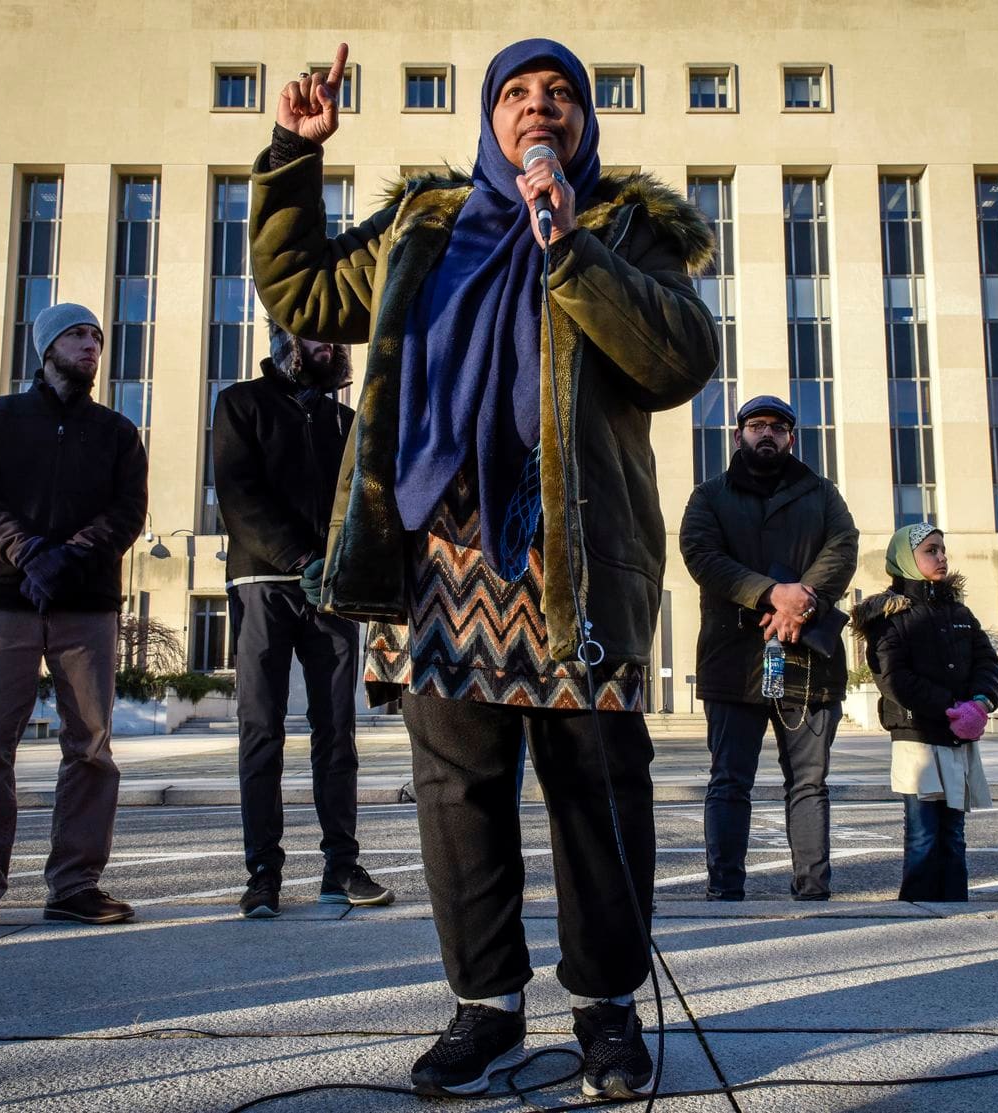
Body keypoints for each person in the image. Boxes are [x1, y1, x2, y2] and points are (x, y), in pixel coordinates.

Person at [251, 39, 719, 1098]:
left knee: (597, 793)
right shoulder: (429, 222)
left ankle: (604, 1010)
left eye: (559, 95)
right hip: (441, 556)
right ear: (489, 119)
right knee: (457, 793)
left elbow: (677, 360)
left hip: (574, 560)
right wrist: (292, 155)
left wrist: (569, 249)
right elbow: (306, 293)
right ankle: (486, 1009)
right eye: (516, 94)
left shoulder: (626, 226)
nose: (538, 109)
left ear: (583, 122)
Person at [0, 303, 149, 941]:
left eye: (97, 337)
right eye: (76, 335)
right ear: (45, 347)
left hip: (87, 605)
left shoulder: (118, 433)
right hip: (4, 602)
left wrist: (74, 554)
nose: (90, 346)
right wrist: (26, 551)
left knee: (92, 748)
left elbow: (129, 510)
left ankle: (75, 886)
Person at [213, 321, 393, 916]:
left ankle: (341, 865)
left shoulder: (346, 423)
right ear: (286, 342)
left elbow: (365, 503)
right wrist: (300, 557)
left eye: (337, 342)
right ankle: (262, 871)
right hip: (264, 584)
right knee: (261, 729)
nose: (332, 349)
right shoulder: (241, 405)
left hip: (332, 595)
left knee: (336, 731)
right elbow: (239, 494)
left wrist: (349, 567)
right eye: (318, 338)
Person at [678, 395, 859, 902]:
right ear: (738, 436)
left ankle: (813, 887)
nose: (767, 434)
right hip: (735, 659)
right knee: (730, 779)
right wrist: (770, 593)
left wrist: (799, 604)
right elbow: (703, 556)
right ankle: (725, 888)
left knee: (808, 780)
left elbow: (843, 548)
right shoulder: (709, 496)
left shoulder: (821, 494)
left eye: (778, 427)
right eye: (757, 425)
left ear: (791, 438)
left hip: (806, 658)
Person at [851, 524, 998, 901]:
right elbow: (894, 678)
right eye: (931, 550)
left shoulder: (958, 609)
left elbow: (987, 661)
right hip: (917, 737)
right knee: (923, 834)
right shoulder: (889, 615)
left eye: (943, 550)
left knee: (954, 833)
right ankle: (915, 910)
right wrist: (950, 706)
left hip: (958, 735)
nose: (941, 557)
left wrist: (981, 702)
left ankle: (955, 907)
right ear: (906, 559)